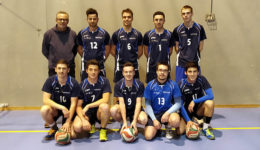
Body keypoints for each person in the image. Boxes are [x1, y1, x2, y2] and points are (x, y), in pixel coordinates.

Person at [72, 59, 111, 142]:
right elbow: (78, 106)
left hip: (99, 112)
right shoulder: (82, 85)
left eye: (95, 70)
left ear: (99, 71)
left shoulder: (104, 81)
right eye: (90, 70)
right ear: (86, 71)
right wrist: (83, 120)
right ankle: (90, 123)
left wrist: (88, 105)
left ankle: (103, 130)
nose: (93, 72)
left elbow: (105, 99)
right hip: (87, 113)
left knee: (105, 106)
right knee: (77, 128)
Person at [40, 59, 80, 140]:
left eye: (64, 68)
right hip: (56, 110)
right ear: (55, 69)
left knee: (71, 135)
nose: (61, 71)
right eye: (59, 68)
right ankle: (54, 128)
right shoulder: (50, 81)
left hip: (69, 112)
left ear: (68, 70)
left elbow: (73, 104)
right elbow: (45, 100)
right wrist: (62, 107)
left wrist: (68, 122)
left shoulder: (74, 83)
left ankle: (68, 125)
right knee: (44, 110)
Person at [144, 62, 182, 140]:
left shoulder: (173, 85)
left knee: (175, 120)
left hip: (169, 113)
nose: (162, 72)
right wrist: (154, 119)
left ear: (168, 72)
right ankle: (158, 128)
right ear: (156, 71)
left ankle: (169, 127)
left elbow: (178, 103)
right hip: (155, 113)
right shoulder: (150, 85)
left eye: (165, 70)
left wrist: (167, 113)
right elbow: (147, 104)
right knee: (148, 136)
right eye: (160, 70)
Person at [177, 62, 215, 140]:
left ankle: (205, 128)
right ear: (185, 72)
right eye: (190, 71)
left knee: (210, 103)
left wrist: (195, 101)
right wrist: (188, 121)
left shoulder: (202, 79)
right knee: (180, 132)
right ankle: (194, 121)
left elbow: (210, 96)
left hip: (198, 110)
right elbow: (180, 105)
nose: (192, 74)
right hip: (186, 112)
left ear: (198, 72)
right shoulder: (181, 84)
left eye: (195, 71)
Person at [110, 62, 148, 135]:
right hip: (123, 108)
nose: (128, 74)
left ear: (134, 73)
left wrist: (134, 120)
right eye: (126, 72)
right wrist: (124, 121)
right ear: (123, 73)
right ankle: (123, 124)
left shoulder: (139, 84)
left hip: (134, 108)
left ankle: (133, 123)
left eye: (130, 72)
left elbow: (138, 103)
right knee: (113, 110)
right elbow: (122, 103)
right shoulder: (118, 85)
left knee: (144, 119)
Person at [172, 5, 207, 83]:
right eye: (183, 13)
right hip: (181, 63)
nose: (186, 15)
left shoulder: (199, 28)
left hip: (194, 62)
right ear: (181, 15)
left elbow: (201, 46)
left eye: (188, 13)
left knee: (196, 86)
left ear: (192, 14)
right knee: (180, 86)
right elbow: (176, 47)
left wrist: (193, 55)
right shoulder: (177, 29)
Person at [77, 8, 110, 81]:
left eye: (94, 19)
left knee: (101, 86)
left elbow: (108, 48)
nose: (92, 21)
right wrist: (84, 56)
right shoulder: (82, 33)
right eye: (90, 19)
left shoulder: (104, 33)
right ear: (87, 19)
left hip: (100, 65)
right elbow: (79, 48)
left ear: (97, 19)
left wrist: (103, 58)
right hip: (85, 65)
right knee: (84, 87)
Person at [111, 8, 143, 83]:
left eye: (129, 17)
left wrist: (133, 58)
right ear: (122, 18)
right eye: (124, 17)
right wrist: (119, 57)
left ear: (132, 18)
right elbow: (112, 50)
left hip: (134, 66)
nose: (126, 19)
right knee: (119, 87)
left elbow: (140, 51)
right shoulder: (116, 34)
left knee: (135, 87)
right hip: (120, 66)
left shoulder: (137, 34)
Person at [42, 11, 77, 78]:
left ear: (68, 21)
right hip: (54, 69)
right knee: (55, 88)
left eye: (65, 19)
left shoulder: (73, 34)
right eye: (60, 19)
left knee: (70, 88)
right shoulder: (48, 34)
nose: (62, 21)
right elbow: (44, 50)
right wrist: (53, 59)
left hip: (70, 69)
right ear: (56, 20)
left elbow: (74, 50)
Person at [143, 11, 174, 83]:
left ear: (164, 21)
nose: (158, 22)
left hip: (165, 66)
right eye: (156, 20)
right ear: (153, 21)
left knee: (166, 87)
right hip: (151, 67)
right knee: (151, 87)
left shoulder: (169, 34)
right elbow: (146, 52)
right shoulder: (148, 34)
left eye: (161, 19)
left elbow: (170, 51)